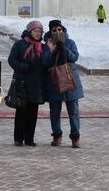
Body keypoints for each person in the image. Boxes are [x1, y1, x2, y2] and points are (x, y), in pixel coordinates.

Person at [42, 19, 84, 148]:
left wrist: (63, 48)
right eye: (54, 30)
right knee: (55, 111)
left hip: (70, 80)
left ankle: (75, 137)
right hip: (54, 81)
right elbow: (45, 62)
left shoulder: (70, 42)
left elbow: (74, 57)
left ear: (63, 29)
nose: (57, 32)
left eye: (59, 29)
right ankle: (57, 135)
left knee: (74, 111)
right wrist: (53, 50)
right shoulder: (46, 45)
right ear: (50, 31)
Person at [8, 20, 45, 147]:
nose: (37, 33)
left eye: (40, 31)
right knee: (21, 112)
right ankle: (18, 138)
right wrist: (25, 67)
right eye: (35, 30)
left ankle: (29, 138)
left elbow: (46, 63)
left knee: (33, 113)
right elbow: (12, 60)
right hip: (22, 83)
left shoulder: (42, 47)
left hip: (36, 84)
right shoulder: (20, 44)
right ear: (29, 31)